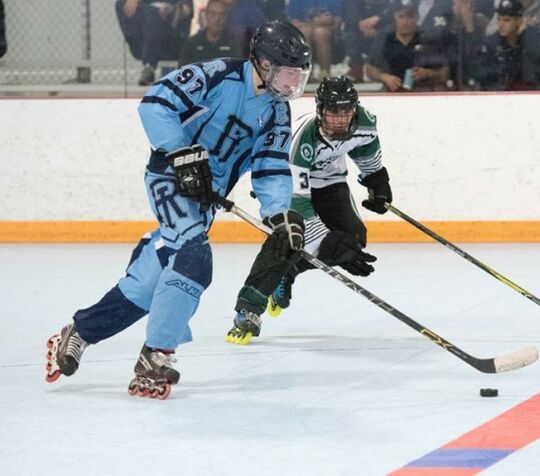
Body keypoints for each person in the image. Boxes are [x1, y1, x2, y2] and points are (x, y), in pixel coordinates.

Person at [44, 20, 312, 400]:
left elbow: (270, 167)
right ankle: (157, 353)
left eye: (299, 76)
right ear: (265, 64)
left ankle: (82, 331)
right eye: (288, 74)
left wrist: (280, 213)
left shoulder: (278, 112)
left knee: (151, 282)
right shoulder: (218, 75)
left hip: (206, 198)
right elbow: (156, 102)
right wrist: (181, 152)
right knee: (193, 259)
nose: (292, 85)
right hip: (170, 178)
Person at [225, 75, 392, 345]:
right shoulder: (303, 137)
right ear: (319, 109)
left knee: (353, 240)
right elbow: (298, 202)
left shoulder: (365, 123)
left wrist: (377, 183)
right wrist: (324, 241)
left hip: (330, 183)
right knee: (289, 238)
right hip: (284, 184)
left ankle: (288, 273)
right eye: (332, 112)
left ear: (355, 108)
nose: (340, 120)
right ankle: (248, 308)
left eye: (346, 111)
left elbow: (367, 157)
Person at [365, 0, 450, 92]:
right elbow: (369, 69)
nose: (405, 22)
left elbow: (445, 73)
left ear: (417, 18)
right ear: (394, 17)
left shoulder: (428, 39)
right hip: (390, 93)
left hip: (423, 92)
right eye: (401, 17)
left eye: (410, 17)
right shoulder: (385, 39)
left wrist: (429, 73)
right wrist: (384, 77)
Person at [472, 0, 540, 90]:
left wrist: (521, 41)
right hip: (499, 96)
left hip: (532, 95)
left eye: (507, 20)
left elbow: (537, 72)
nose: (500, 24)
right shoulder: (492, 42)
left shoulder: (536, 38)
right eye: (499, 19)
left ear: (519, 21)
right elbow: (480, 72)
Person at [115, 0, 195, 85]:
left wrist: (183, 9)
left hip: (173, 44)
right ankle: (149, 66)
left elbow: (188, 9)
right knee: (122, 3)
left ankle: (149, 67)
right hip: (143, 46)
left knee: (156, 16)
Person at [287, 0, 345, 81]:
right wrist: (317, 22)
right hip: (305, 30)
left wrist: (315, 25)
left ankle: (325, 74)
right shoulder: (297, 2)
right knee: (305, 32)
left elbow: (337, 23)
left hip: (331, 36)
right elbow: (293, 23)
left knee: (320, 33)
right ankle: (306, 74)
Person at [178, 0, 243, 66]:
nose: (217, 18)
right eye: (213, 13)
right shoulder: (192, 44)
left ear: (226, 17)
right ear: (206, 15)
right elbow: (182, 72)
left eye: (222, 14)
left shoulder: (235, 44)